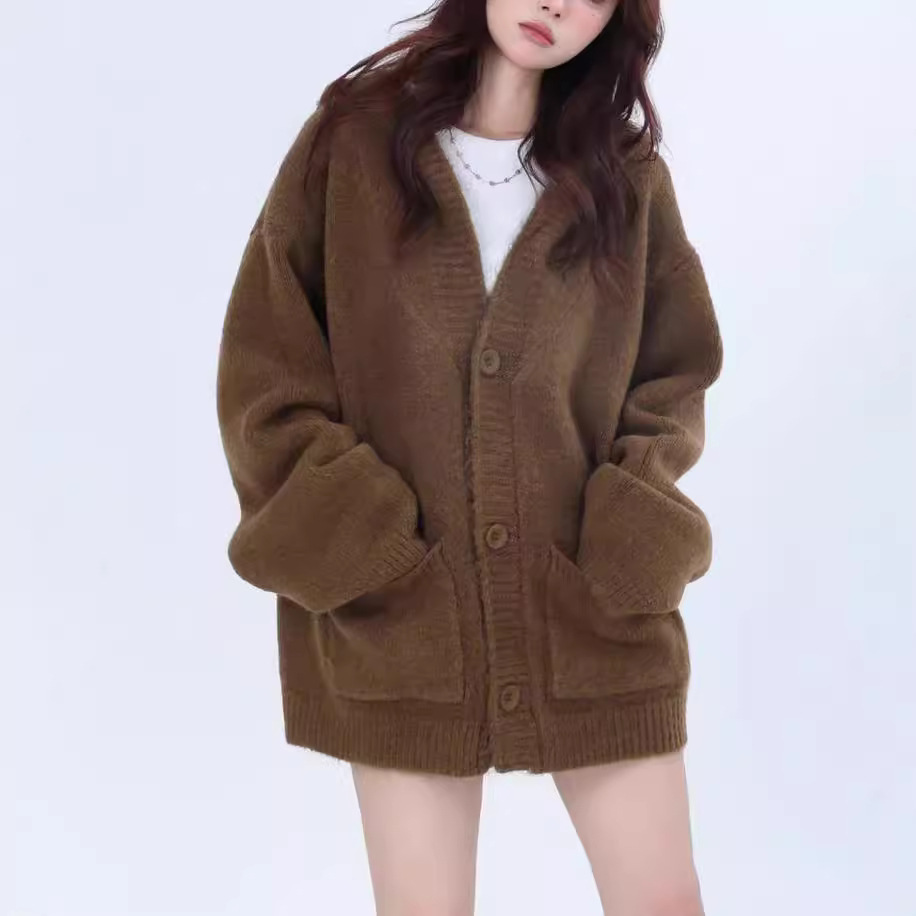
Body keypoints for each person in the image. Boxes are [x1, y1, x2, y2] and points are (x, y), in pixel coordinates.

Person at [215, 0, 724, 912]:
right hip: (402, 625)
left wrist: (632, 531)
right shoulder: (353, 144)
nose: (557, 4)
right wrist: (369, 549)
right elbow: (268, 372)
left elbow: (673, 375)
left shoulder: (624, 176)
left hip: (595, 616)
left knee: (663, 901)